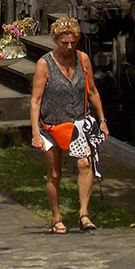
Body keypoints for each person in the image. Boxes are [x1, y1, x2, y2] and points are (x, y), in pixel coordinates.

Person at [29, 16, 109, 234]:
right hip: (51, 124)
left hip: (78, 123)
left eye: (73, 42)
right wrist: (35, 132)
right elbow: (35, 100)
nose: (69, 46)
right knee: (54, 173)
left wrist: (102, 120)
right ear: (55, 40)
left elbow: (92, 91)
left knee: (85, 164)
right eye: (65, 42)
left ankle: (84, 213)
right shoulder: (45, 64)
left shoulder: (82, 59)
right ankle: (56, 218)